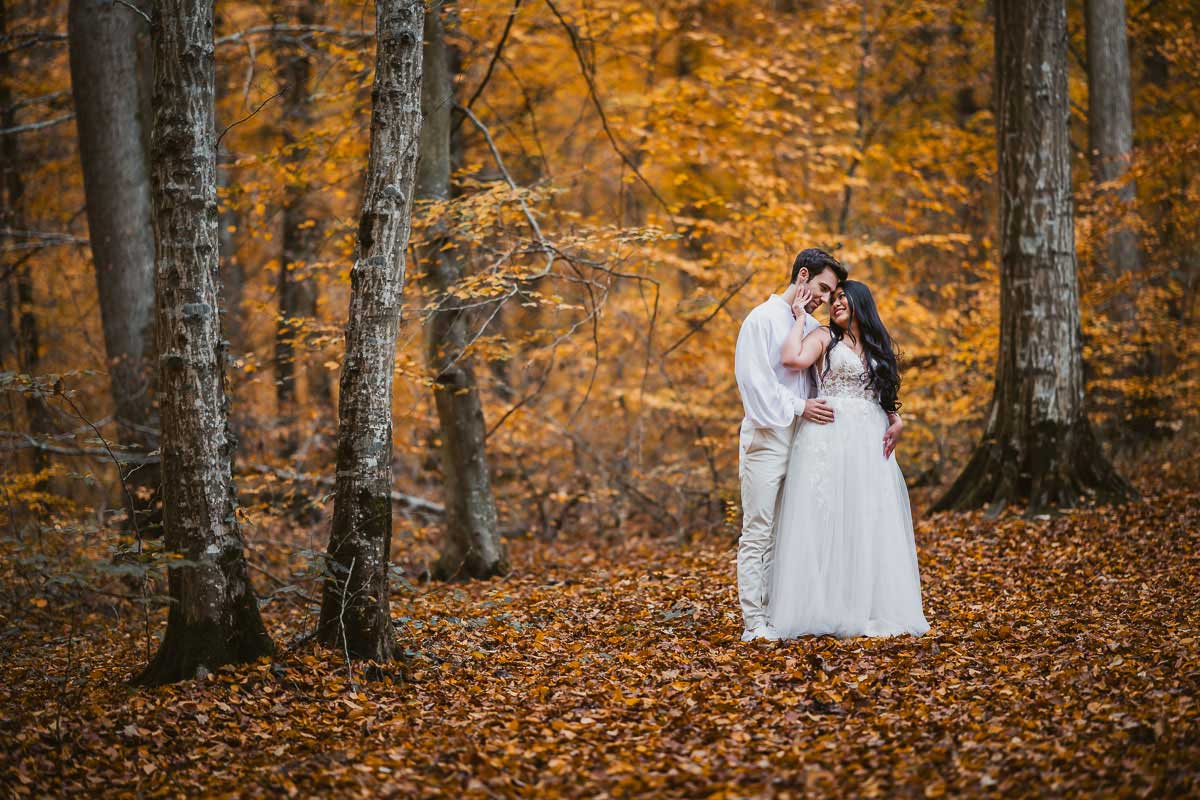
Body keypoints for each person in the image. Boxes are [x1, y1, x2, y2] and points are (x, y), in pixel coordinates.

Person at [768, 280, 930, 639]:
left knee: (866, 517)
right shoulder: (826, 337)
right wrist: (798, 317)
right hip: (829, 436)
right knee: (829, 516)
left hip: (869, 440)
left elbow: (883, 396)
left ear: (861, 302)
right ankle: (827, 607)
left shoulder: (876, 346)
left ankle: (869, 605)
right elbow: (791, 359)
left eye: (843, 297)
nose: (837, 303)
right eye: (834, 298)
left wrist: (896, 419)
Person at [733, 249, 846, 642]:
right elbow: (756, 387)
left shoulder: (809, 325)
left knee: (791, 530)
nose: (825, 299)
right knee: (759, 530)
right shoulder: (760, 320)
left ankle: (783, 613)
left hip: (804, 441)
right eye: (822, 288)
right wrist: (800, 407)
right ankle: (755, 622)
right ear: (802, 275)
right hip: (767, 438)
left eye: (830, 294)